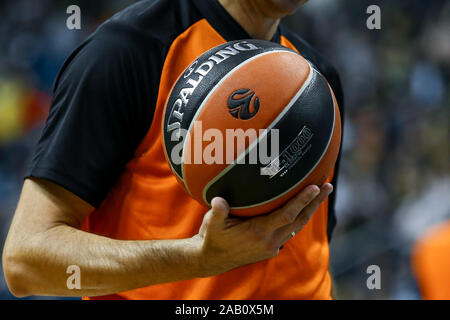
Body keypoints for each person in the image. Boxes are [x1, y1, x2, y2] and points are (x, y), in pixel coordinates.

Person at [2, 0, 344, 299]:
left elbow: (311, 260)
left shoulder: (316, 82)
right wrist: (195, 259)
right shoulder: (127, 51)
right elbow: (26, 260)